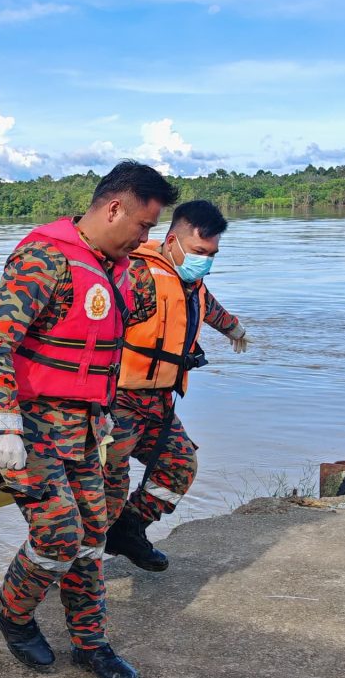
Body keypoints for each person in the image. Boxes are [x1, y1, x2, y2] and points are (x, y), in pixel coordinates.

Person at [0, 161, 178, 678]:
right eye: (143, 227)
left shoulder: (119, 269)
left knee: (93, 537)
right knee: (59, 533)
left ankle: (91, 643)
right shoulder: (45, 258)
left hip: (88, 429)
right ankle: (13, 612)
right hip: (31, 427)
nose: (145, 239)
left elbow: (124, 329)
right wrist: (3, 425)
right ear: (114, 209)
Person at [103, 199, 249, 570]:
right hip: (118, 403)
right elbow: (96, 325)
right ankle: (73, 566)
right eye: (200, 251)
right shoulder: (135, 275)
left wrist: (233, 328)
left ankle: (128, 530)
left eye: (213, 253)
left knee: (179, 466)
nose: (207, 261)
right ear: (172, 241)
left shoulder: (191, 280)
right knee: (108, 487)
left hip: (159, 403)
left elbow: (207, 304)